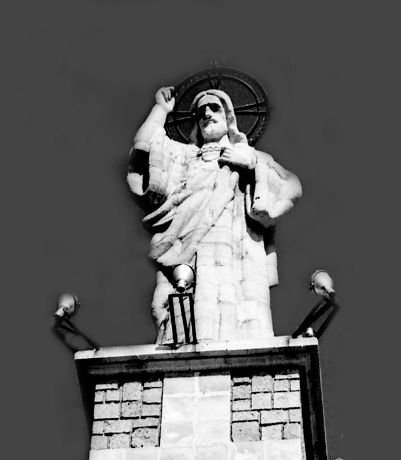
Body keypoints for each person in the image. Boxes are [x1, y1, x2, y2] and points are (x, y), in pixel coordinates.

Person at [127, 85, 302, 347]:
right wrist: (161, 110)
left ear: (228, 117)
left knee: (238, 312)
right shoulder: (185, 157)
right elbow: (147, 149)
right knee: (178, 314)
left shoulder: (251, 156)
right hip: (186, 252)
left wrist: (251, 165)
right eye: (200, 113)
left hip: (236, 252)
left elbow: (291, 186)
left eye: (214, 108)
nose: (207, 114)